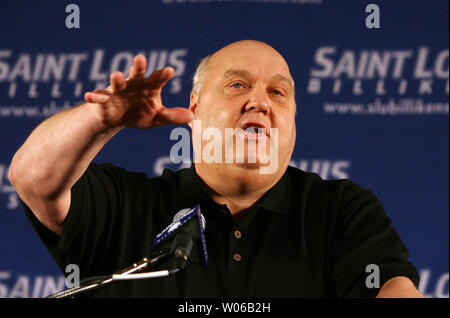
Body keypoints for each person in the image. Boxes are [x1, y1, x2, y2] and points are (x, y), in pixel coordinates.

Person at [9, 40, 423, 297]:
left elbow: (392, 288)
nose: (259, 101)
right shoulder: (126, 206)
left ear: (293, 122)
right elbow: (31, 177)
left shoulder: (341, 210)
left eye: (278, 92)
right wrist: (103, 117)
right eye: (237, 85)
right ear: (194, 109)